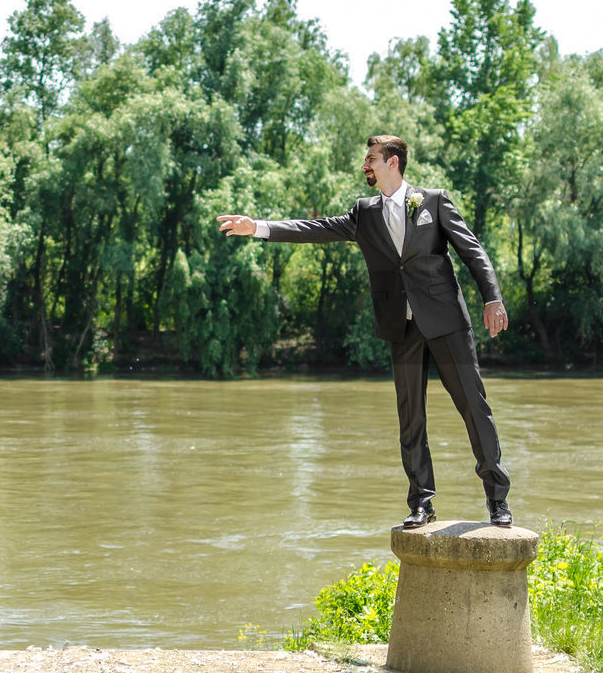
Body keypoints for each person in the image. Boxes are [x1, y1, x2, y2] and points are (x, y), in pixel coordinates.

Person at [216, 134, 513, 528]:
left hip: (447, 323)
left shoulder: (434, 201)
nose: (364, 165)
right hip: (400, 327)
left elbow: (472, 250)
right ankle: (421, 504)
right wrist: (259, 228)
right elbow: (316, 228)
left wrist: (492, 298)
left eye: (371, 158)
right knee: (411, 419)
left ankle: (497, 501)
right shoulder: (365, 213)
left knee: (475, 410)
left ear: (392, 162)